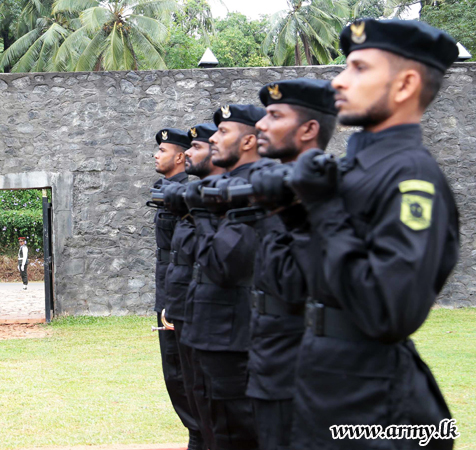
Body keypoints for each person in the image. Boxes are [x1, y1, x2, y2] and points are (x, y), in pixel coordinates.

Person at [288, 19, 460, 449]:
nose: (338, 81)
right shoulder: (353, 169)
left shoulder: (411, 178)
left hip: (371, 402)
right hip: (327, 379)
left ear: (404, 86)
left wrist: (324, 207)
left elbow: (389, 313)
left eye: (359, 69)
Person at [247, 78, 338, 450]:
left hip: (300, 371)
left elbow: (294, 284)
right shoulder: (276, 188)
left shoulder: (327, 196)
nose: (261, 126)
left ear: (308, 129)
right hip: (269, 363)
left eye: (274, 115)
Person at [181, 105, 266, 450]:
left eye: (223, 132)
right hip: (210, 330)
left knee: (236, 434)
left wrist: (200, 212)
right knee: (214, 426)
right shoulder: (226, 186)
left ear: (249, 141)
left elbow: (223, 265)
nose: (214, 138)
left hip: (233, 336)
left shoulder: (251, 189)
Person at [160, 123, 227, 450]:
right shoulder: (183, 195)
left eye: (163, 150)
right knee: (181, 379)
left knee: (192, 382)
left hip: (195, 304)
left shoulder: (204, 198)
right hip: (176, 296)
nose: (156, 155)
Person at [152, 128, 202, 449]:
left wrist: (174, 299)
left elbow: (186, 255)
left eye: (163, 149)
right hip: (166, 294)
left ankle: (199, 436)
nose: (156, 154)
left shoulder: (189, 196)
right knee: (173, 374)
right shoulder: (166, 191)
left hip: (176, 297)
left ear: (180, 157)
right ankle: (197, 434)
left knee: (183, 373)